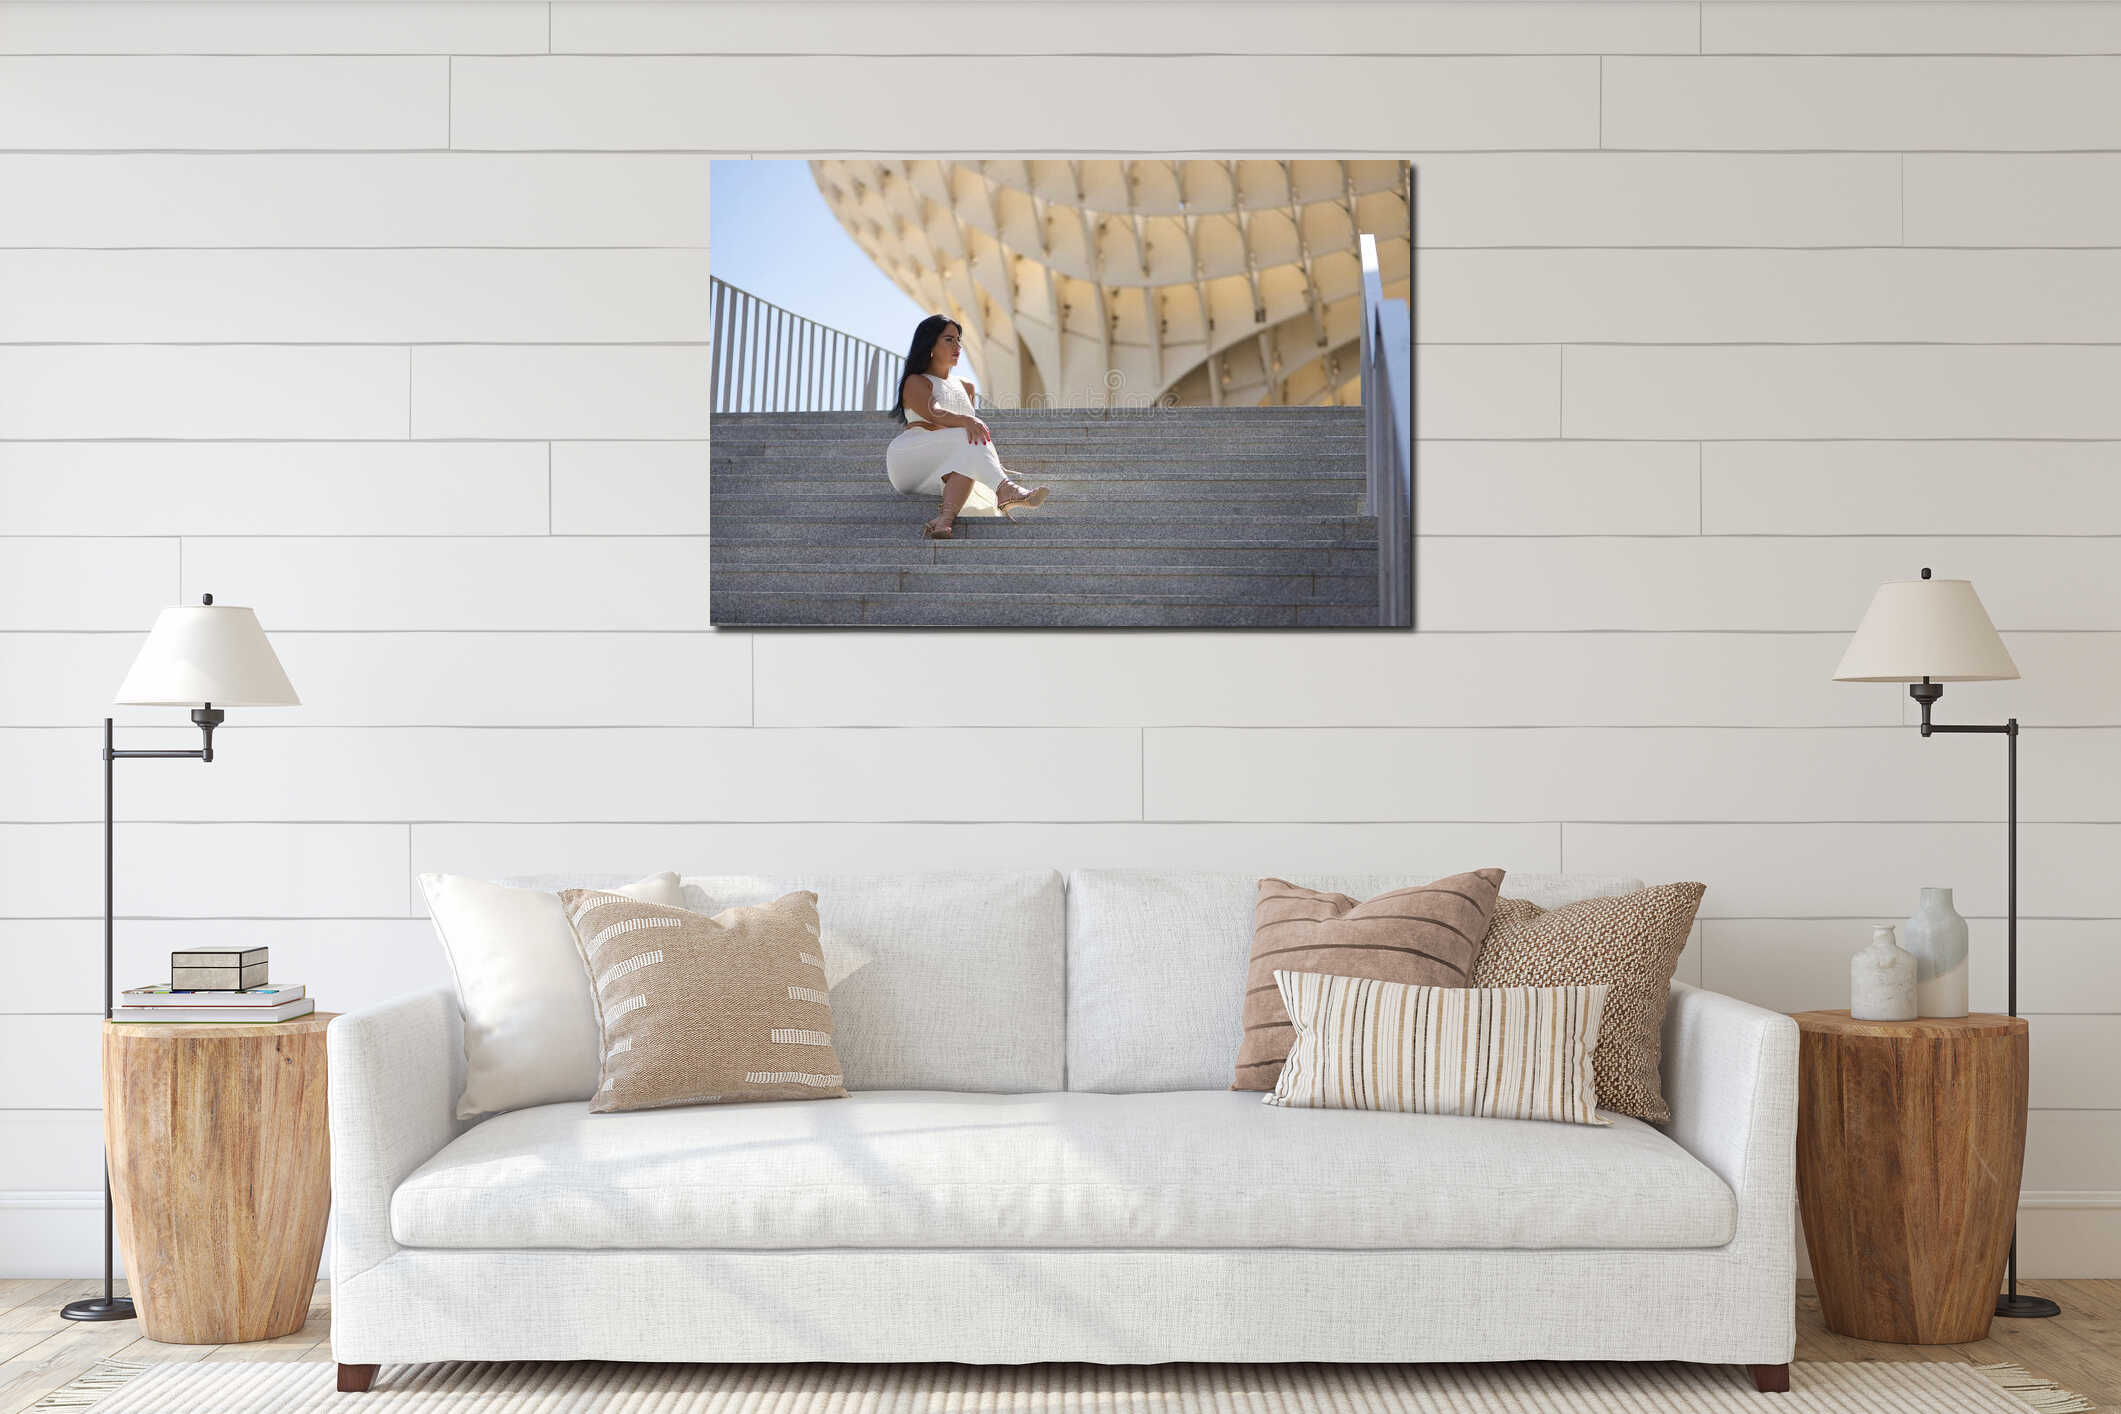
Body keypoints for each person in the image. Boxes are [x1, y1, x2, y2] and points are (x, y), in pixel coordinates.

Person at [884, 315, 1048, 540]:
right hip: (910, 458)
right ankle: (1005, 489)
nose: (957, 346)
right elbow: (935, 413)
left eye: (959, 340)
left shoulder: (966, 386)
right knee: (968, 436)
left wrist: (971, 430)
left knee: (968, 450)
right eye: (949, 340)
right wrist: (967, 421)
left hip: (945, 463)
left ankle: (944, 520)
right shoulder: (916, 381)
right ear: (930, 344)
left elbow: (967, 436)